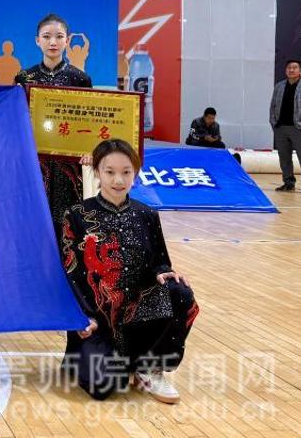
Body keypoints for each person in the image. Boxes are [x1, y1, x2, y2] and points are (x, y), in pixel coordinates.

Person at [61, 139, 199, 404]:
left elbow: (160, 261)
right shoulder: (77, 215)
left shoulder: (147, 214)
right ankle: (110, 360)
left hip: (137, 314)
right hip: (96, 319)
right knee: (102, 386)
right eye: (110, 171)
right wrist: (80, 316)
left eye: (126, 172)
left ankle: (150, 367)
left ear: (135, 172)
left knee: (180, 292)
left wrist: (163, 272)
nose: (118, 180)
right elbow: (70, 270)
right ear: (97, 172)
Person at [15, 14, 93, 235]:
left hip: (67, 160)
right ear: (37, 40)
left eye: (59, 37)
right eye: (47, 36)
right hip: (34, 157)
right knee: (33, 214)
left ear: (67, 41)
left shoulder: (80, 79)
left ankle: (67, 256)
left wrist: (88, 149)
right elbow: (17, 118)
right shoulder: (24, 77)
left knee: (67, 216)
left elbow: (88, 120)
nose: (53, 42)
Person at [269, 59, 301, 194]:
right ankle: (288, 183)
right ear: (286, 70)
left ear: (300, 70)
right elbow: (273, 107)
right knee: (284, 158)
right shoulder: (279, 86)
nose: (291, 70)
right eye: (289, 68)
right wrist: (274, 123)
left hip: (299, 128)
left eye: (294, 68)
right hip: (281, 128)